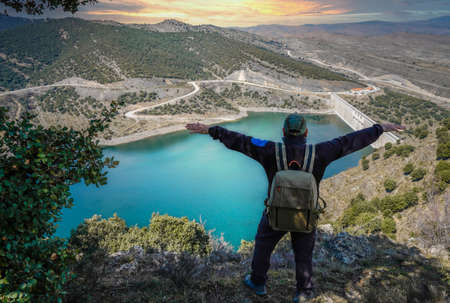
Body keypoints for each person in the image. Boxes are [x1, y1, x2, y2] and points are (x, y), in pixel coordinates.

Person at [185, 114, 404, 302]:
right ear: (306, 133)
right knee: (303, 254)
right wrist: (380, 128)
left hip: (275, 214)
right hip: (305, 215)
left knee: (263, 245)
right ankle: (304, 292)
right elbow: (350, 141)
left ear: (283, 131)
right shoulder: (321, 152)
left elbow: (241, 140)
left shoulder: (269, 150)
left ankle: (258, 283)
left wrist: (211, 130)